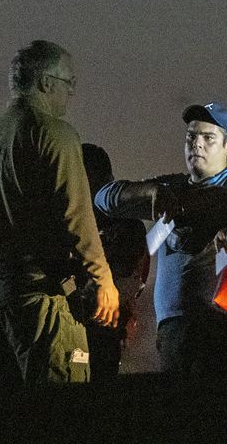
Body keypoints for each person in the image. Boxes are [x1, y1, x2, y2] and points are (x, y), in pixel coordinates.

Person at [0, 40, 118, 385]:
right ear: (46, 82)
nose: (71, 91)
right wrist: (102, 278)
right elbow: (77, 214)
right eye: (69, 82)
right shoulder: (55, 134)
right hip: (37, 293)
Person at [94, 102, 227, 374]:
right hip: (173, 326)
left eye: (208, 138)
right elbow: (106, 198)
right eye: (191, 137)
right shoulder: (171, 187)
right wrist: (153, 194)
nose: (197, 144)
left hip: (221, 324)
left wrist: (194, 204)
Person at [80, 143, 150, 383]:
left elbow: (125, 277)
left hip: (105, 328)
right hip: (75, 329)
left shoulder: (126, 225)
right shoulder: (73, 222)